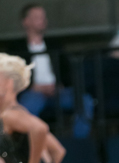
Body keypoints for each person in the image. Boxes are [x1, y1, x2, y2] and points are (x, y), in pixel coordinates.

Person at [8, 3, 93, 138]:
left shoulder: (55, 45)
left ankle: (78, 143)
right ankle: (32, 146)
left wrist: (60, 84)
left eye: (43, 17)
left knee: (85, 101)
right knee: (26, 107)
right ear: (26, 22)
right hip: (33, 92)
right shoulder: (16, 49)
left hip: (58, 92)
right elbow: (13, 76)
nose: (43, 20)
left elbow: (67, 71)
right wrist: (32, 86)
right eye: (37, 17)